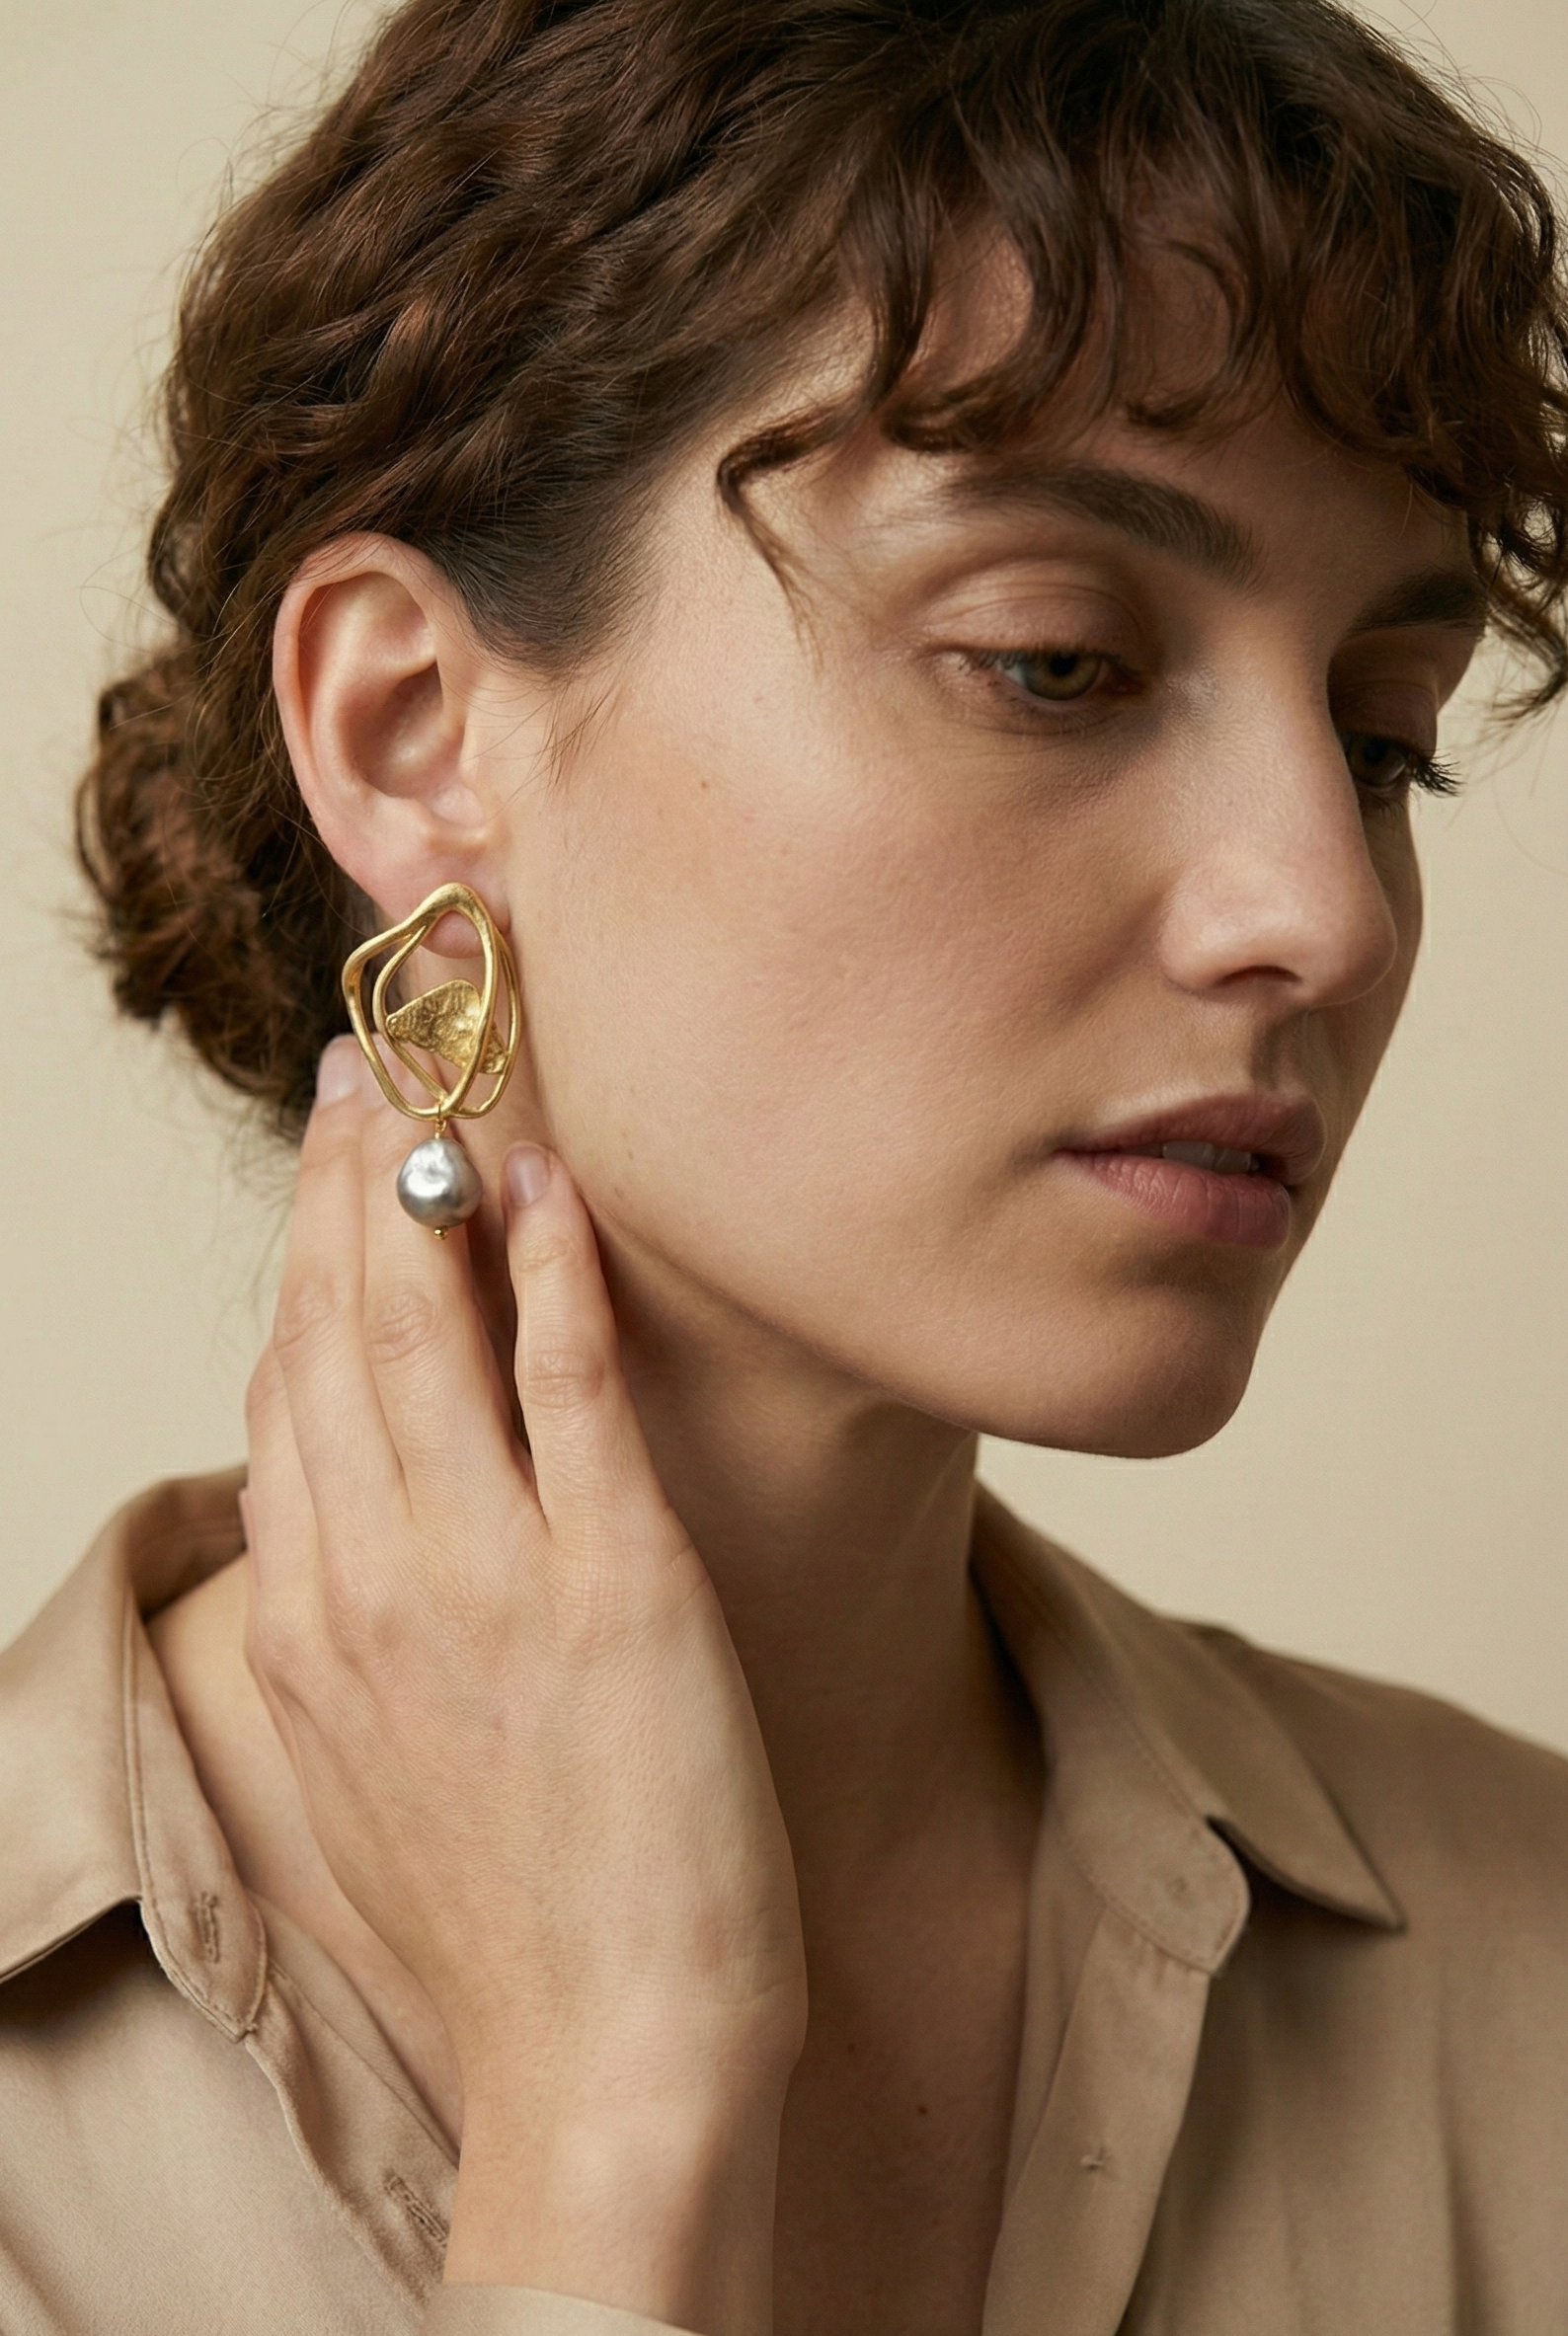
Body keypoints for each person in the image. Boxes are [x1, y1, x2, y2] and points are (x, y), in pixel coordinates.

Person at [3, 0, 1567, 2327]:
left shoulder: (1527, 1977)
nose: (1318, 911)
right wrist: (615, 2108)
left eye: (1378, 739)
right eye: (1053, 657)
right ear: (413, 731)